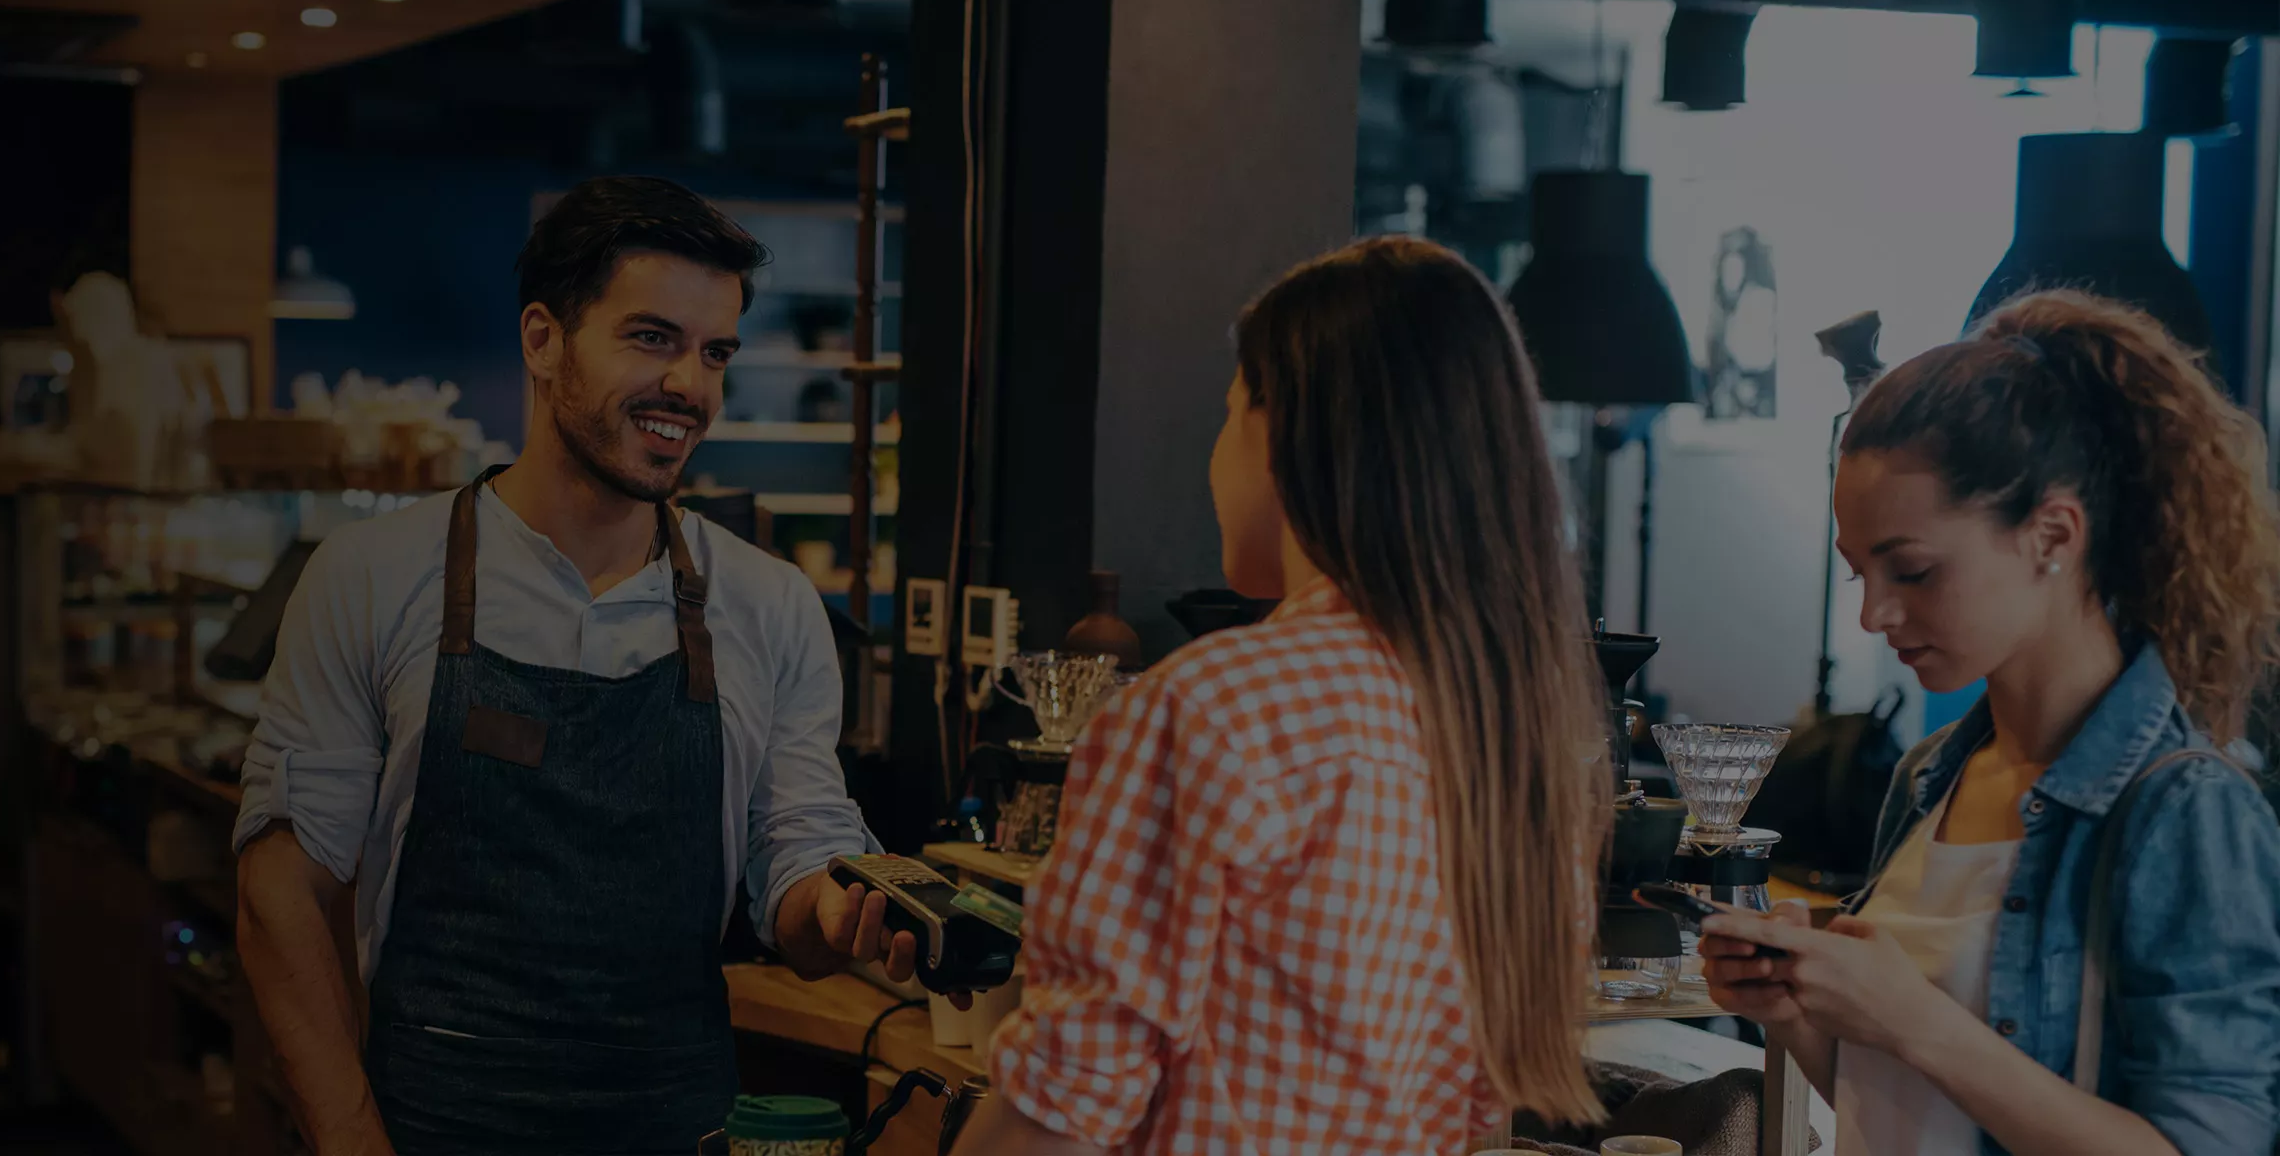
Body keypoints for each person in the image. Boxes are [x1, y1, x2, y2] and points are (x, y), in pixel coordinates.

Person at [233, 175, 964, 1156]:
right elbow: (280, 895)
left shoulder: (770, 603)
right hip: (431, 1125)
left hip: (680, 1124)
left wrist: (841, 910)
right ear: (543, 340)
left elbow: (794, 852)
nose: (690, 388)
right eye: (651, 338)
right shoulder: (372, 577)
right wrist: (353, 1141)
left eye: (714, 354)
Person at [953, 236, 1610, 1154]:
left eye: (1229, 413)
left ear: (1285, 428)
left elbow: (1058, 1112)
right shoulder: (1513, 741)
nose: (1215, 455)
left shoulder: (1216, 709)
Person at [1702, 289, 2280, 1156]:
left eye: (1915, 572)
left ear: (2052, 534)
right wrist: (1794, 1014)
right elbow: (1904, 1108)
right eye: (1861, 575)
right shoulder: (1930, 775)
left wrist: (1912, 1020)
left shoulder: (2184, 809)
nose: (1875, 617)